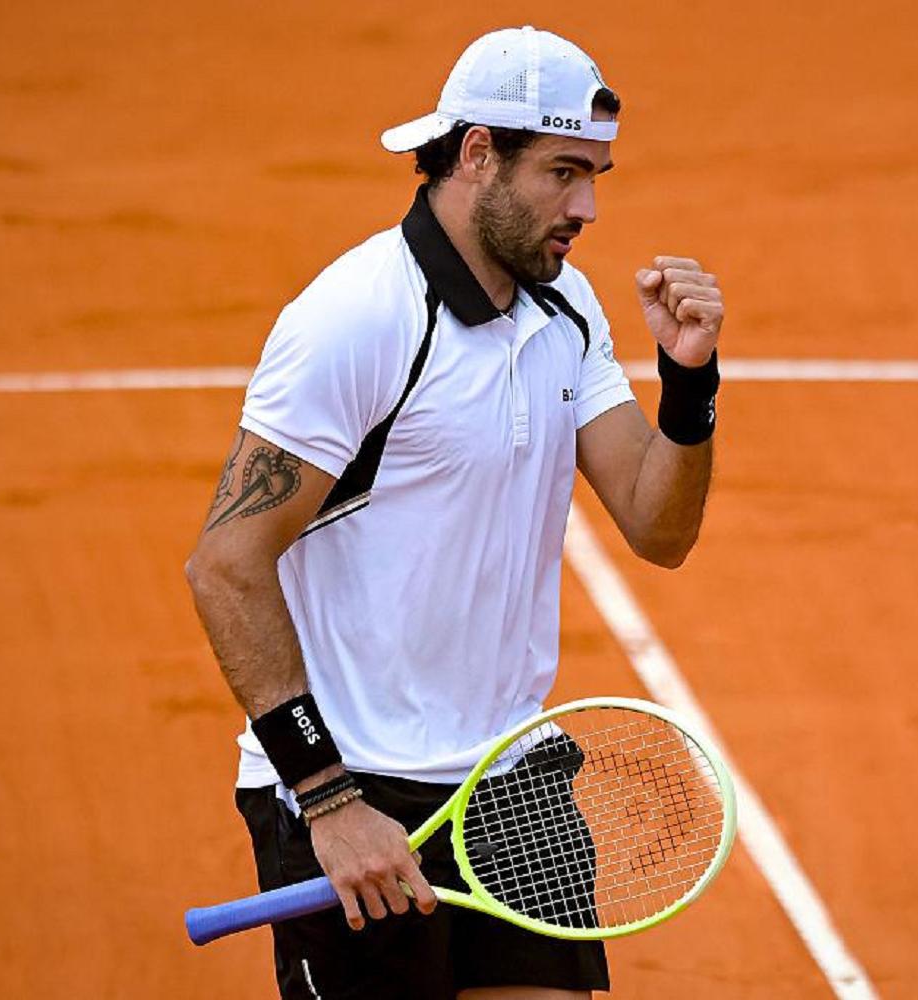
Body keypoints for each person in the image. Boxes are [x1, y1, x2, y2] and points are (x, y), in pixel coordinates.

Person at [185, 25, 724, 1000]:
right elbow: (226, 562)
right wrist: (328, 797)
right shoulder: (357, 319)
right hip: (353, 783)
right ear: (478, 153)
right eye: (564, 172)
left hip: (508, 773)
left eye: (597, 174)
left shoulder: (566, 310)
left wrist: (688, 386)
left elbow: (659, 526)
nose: (588, 206)